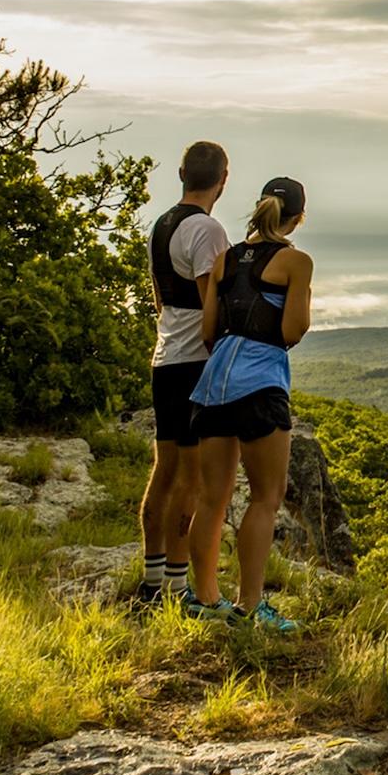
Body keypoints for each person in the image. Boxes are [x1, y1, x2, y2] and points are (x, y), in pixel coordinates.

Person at [186, 175, 312, 632]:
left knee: (211, 498)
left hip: (213, 383)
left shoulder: (226, 258)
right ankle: (250, 606)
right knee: (266, 498)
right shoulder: (295, 261)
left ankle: (204, 597)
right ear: (297, 217)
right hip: (260, 384)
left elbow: (208, 330)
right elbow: (291, 331)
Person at [138, 140, 230, 605]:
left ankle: (152, 580)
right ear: (223, 179)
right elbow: (210, 303)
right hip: (197, 361)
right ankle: (177, 586)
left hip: (165, 356)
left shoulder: (160, 226)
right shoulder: (207, 230)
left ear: (180, 174)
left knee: (165, 469)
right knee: (192, 477)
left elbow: (160, 299)